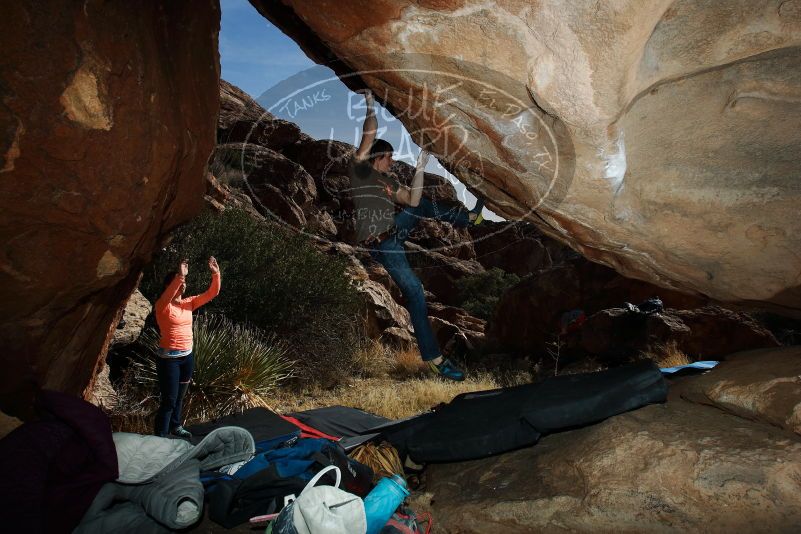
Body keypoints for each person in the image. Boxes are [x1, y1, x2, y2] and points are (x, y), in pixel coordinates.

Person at [348, 90, 484, 381]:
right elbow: (370, 133)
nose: (392, 162)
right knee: (416, 295)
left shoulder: (388, 181)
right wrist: (371, 103)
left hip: (393, 236)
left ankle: (470, 218)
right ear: (378, 157)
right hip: (383, 245)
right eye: (389, 158)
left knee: (419, 205)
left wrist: (421, 168)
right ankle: (434, 359)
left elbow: (413, 199)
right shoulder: (360, 171)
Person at [153, 256, 221, 437]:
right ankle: (160, 437)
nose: (183, 285)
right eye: (177, 282)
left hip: (187, 357)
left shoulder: (188, 303)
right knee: (169, 400)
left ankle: (175, 427)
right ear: (171, 285)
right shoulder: (162, 306)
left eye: (184, 282)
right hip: (169, 359)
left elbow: (212, 293)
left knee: (180, 397)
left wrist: (215, 274)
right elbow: (168, 294)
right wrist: (180, 276)